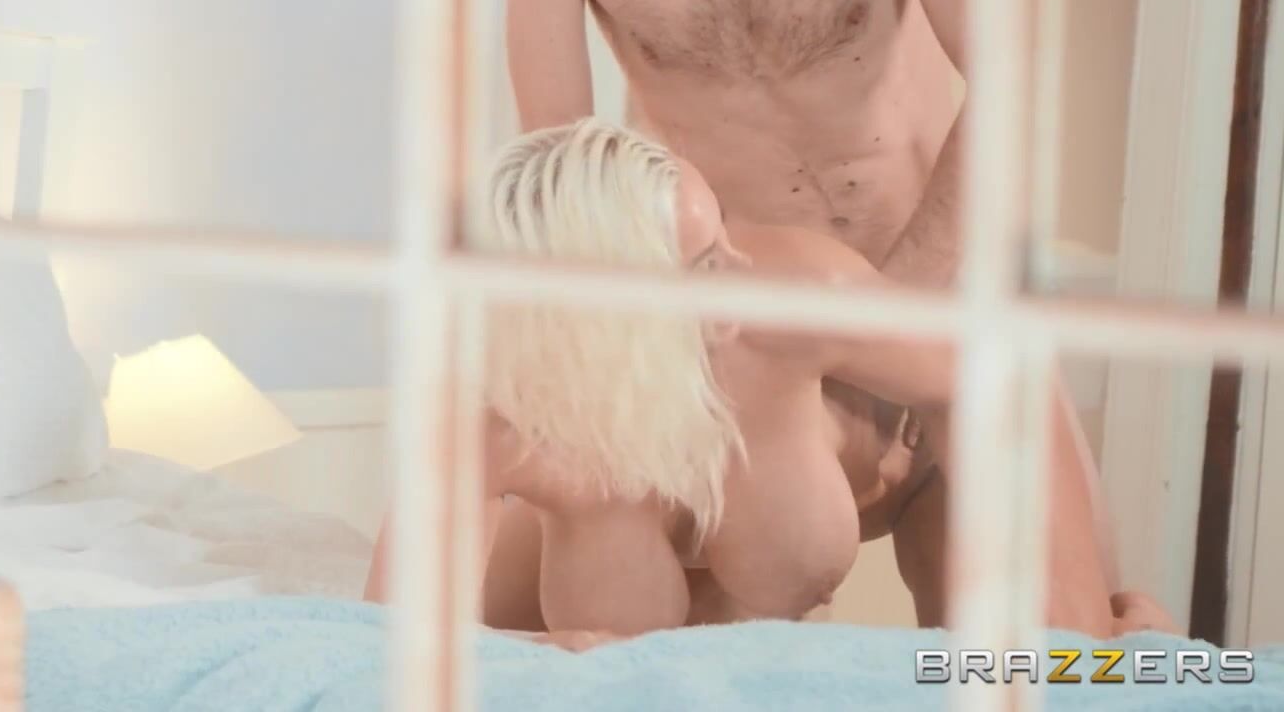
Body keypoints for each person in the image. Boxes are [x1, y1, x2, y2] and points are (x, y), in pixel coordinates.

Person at [493, 0, 1012, 624]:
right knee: (567, 628)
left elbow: (1015, 82)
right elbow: (571, 184)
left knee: (1024, 656)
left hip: (938, 294)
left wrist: (886, 324)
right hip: (746, 341)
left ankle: (1129, 633)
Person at [363, 121, 1171, 642]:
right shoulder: (494, 417)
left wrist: (1085, 644)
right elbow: (375, 651)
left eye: (723, 234)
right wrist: (546, 652)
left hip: (906, 474)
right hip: (629, 526)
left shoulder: (793, 300)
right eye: (704, 265)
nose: (742, 271)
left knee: (1059, 669)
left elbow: (1001, 375)